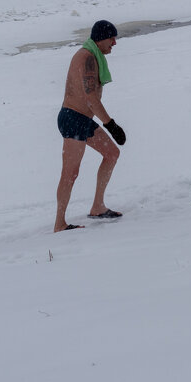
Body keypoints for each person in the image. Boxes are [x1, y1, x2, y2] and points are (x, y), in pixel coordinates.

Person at [54, 20, 127, 232]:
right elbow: (91, 99)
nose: (114, 42)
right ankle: (60, 223)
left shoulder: (94, 56)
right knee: (70, 173)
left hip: (83, 120)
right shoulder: (86, 58)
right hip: (72, 118)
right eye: (111, 38)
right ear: (100, 38)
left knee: (112, 153)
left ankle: (98, 206)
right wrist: (111, 125)